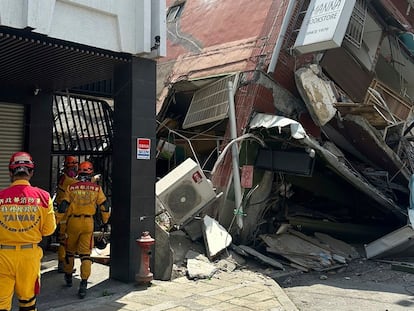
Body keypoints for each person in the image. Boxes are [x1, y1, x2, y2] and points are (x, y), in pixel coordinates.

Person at [0, 151, 56, 311]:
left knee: (1, 303)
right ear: (31, 173)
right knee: (27, 302)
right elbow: (48, 230)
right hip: (29, 257)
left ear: (11, 172)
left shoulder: (1, 197)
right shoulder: (44, 197)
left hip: (3, 257)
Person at [57, 161, 111, 299]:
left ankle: (68, 276)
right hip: (88, 223)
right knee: (85, 255)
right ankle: (83, 284)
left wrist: (56, 221)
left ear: (79, 171)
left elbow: (63, 206)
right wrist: (105, 222)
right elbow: (104, 206)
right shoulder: (96, 189)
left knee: (69, 252)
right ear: (91, 172)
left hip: (73, 223)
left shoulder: (72, 187)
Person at [54, 156, 78, 273]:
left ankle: (63, 263)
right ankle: (63, 264)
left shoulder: (65, 177)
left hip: (66, 210)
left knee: (65, 239)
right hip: (64, 212)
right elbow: (76, 184)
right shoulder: (67, 179)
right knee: (64, 240)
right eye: (73, 165)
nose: (74, 167)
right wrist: (91, 181)